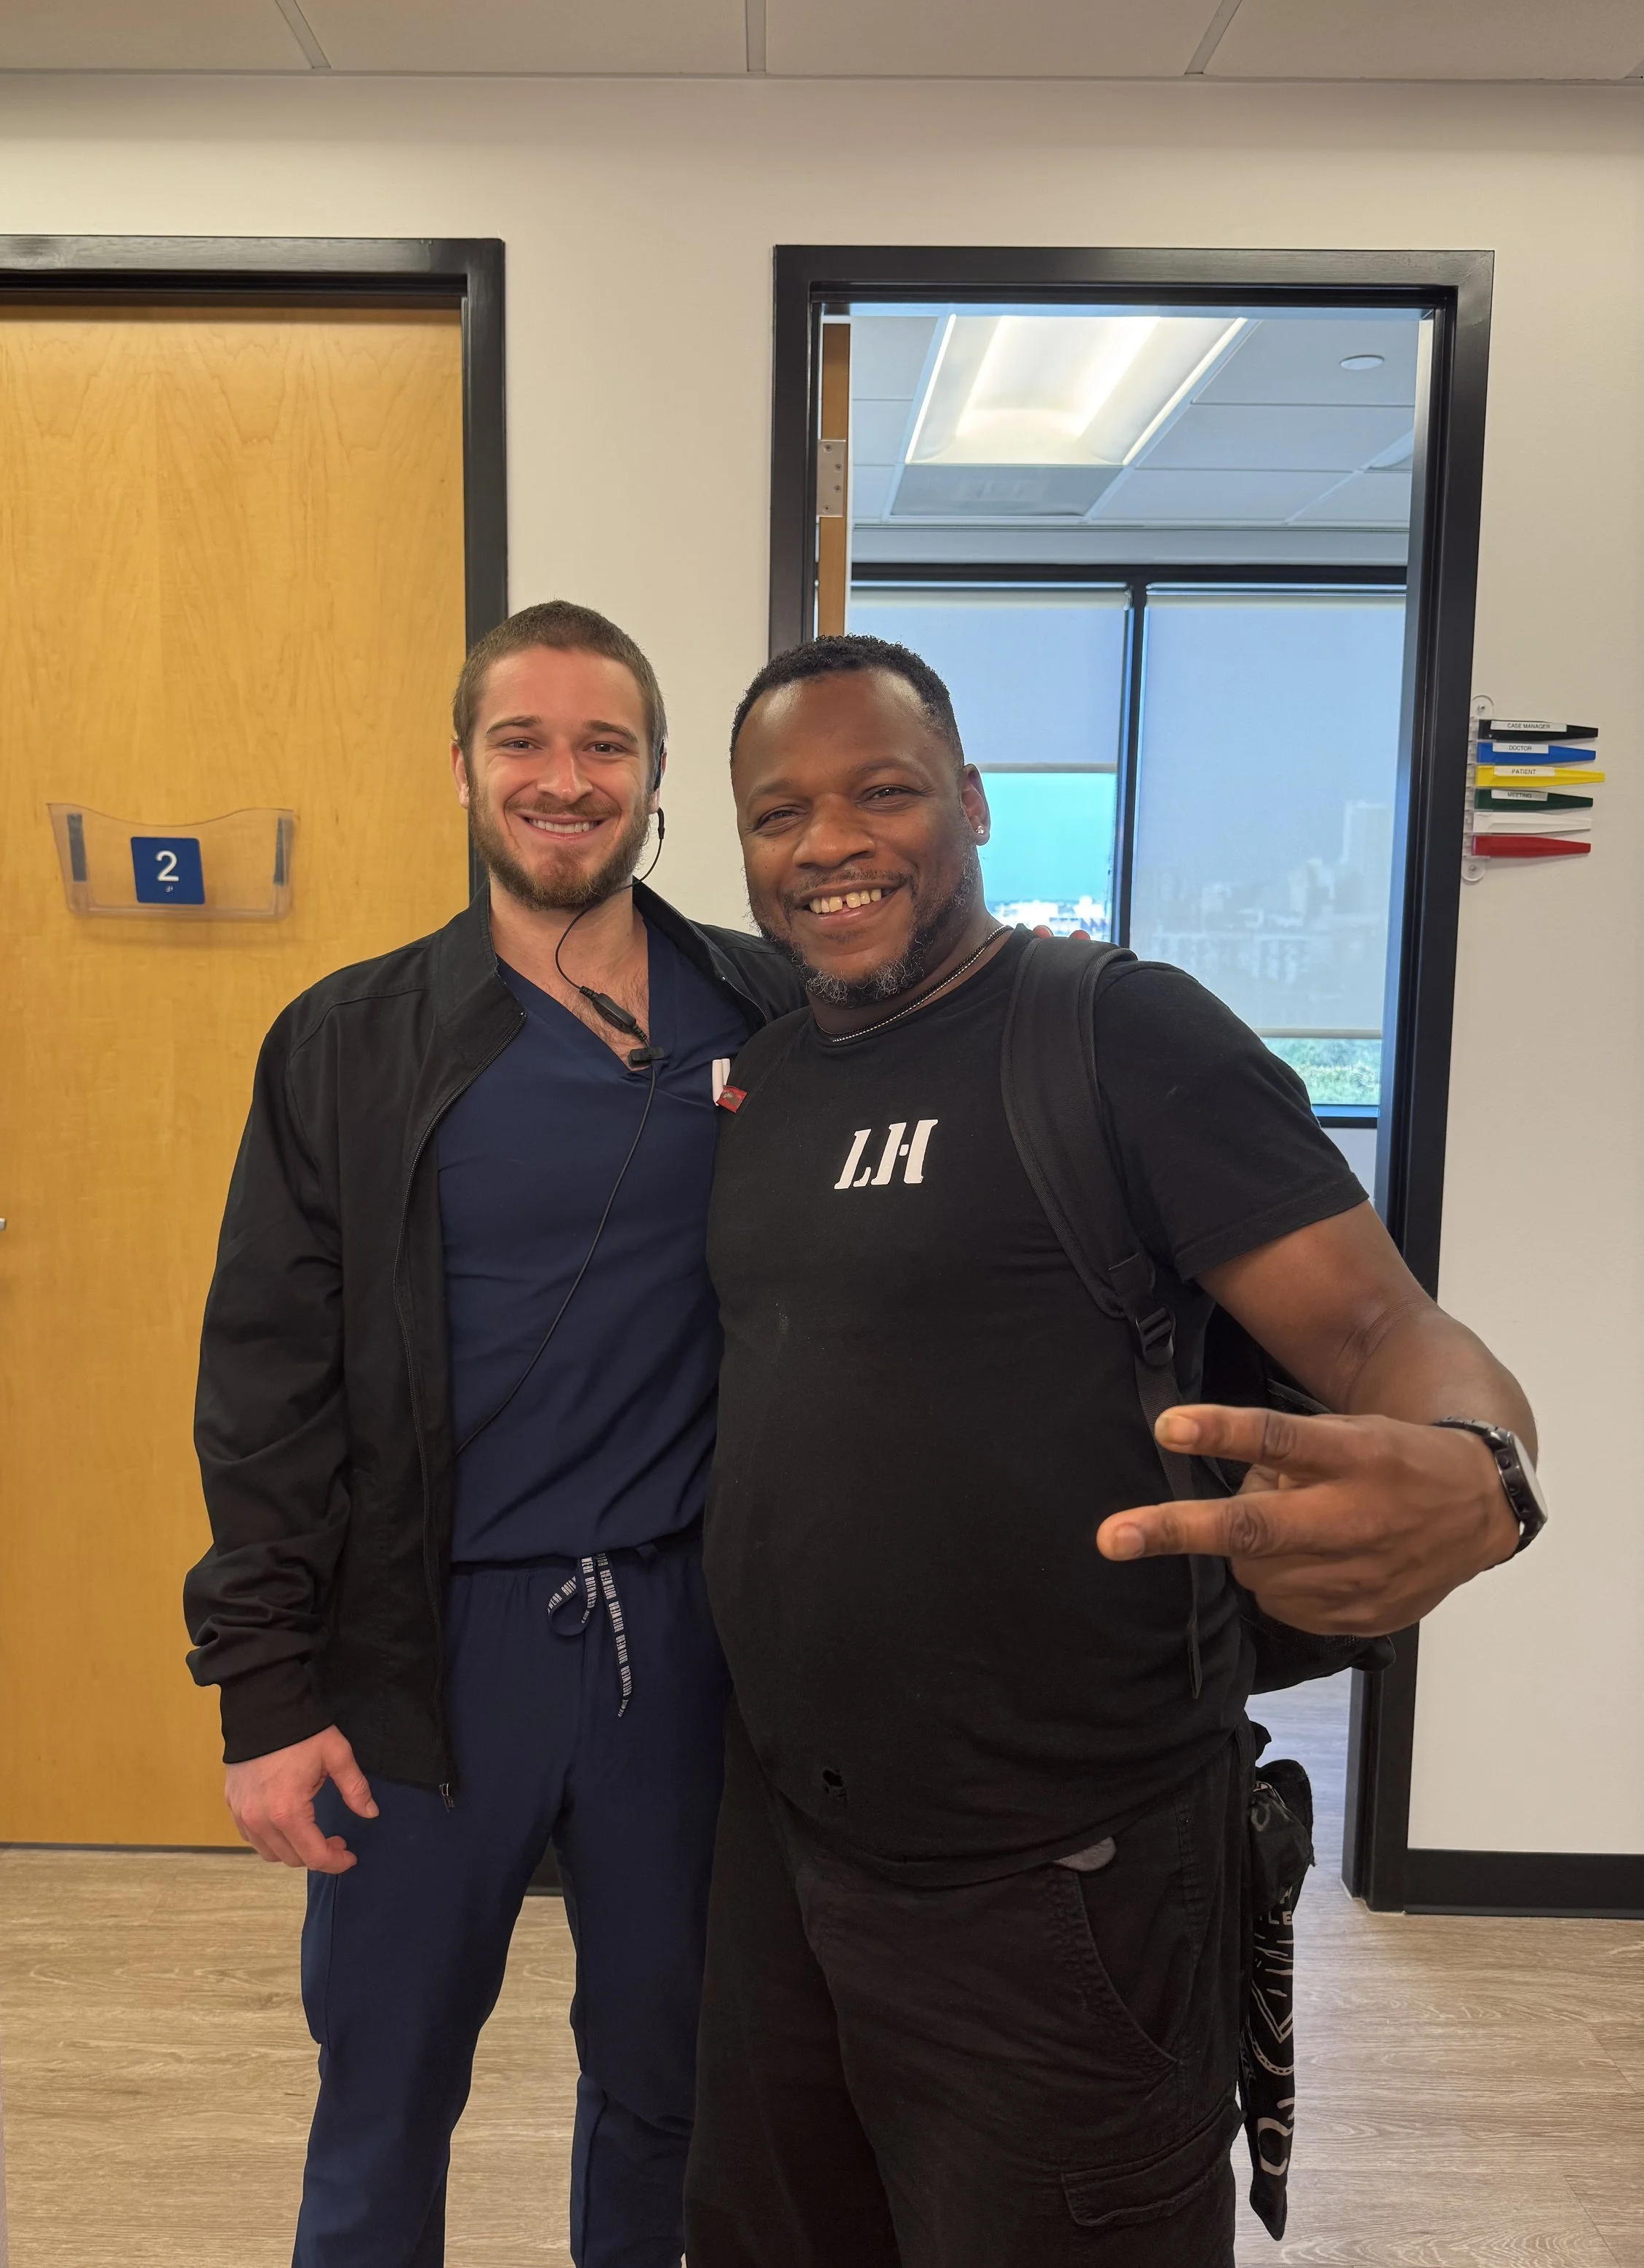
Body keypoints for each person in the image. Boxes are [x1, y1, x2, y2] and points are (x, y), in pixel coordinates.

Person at [685, 633, 1541, 2268]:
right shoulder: (772, 1072)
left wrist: (1478, 1461)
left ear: (973, 804)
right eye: (778, 812)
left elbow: (1377, 1331)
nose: (830, 843)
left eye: (883, 792)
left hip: (1056, 1875)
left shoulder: (1116, 1033)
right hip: (785, 1853)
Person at [183, 601, 798, 2268]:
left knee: (673, 2073)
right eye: (520, 739)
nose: (561, 777)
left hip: (683, 1639)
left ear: (653, 779)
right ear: (459, 766)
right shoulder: (348, 1041)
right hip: (425, 1647)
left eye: (604, 743)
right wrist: (267, 1683)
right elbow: (263, 1380)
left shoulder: (773, 1018)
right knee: (385, 2089)